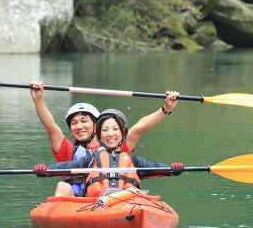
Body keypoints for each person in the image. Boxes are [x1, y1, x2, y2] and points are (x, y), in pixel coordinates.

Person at [30, 81, 179, 196]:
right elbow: (51, 127)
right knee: (62, 186)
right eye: (74, 123)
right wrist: (38, 100)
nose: (79, 126)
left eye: (84, 121)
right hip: (76, 205)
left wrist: (166, 109)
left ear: (96, 125)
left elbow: (139, 128)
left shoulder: (118, 148)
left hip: (113, 202)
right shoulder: (68, 151)